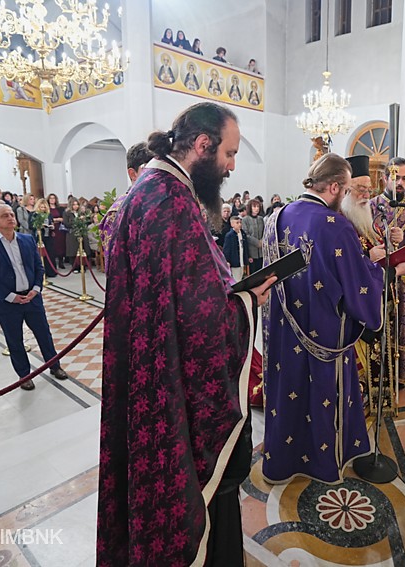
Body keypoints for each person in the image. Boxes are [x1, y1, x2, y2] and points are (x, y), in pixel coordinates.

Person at [98, 102, 274, 566]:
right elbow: (203, 322)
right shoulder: (171, 200)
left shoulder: (146, 191)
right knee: (205, 502)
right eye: (230, 154)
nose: (232, 166)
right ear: (202, 145)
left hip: (148, 374)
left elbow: (178, 299)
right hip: (170, 390)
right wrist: (248, 302)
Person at [262, 153, 405, 484]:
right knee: (319, 396)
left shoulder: (278, 216)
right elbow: (358, 284)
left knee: (290, 392)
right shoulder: (334, 225)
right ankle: (321, 463)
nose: (350, 194)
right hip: (323, 334)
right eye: (347, 187)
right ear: (334, 186)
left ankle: (283, 460)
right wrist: (392, 272)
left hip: (285, 332)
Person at [0, 205, 72, 391]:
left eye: (12, 214)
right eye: (5, 216)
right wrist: (11, 297)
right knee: (15, 339)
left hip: (32, 297)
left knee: (44, 333)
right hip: (7, 302)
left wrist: (36, 289)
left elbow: (38, 267)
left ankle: (54, 366)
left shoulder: (27, 239)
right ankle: (24, 375)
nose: (11, 218)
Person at [343, 155, 403, 417]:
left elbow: (375, 247)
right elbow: (346, 268)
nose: (366, 195)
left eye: (369, 189)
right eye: (361, 189)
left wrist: (391, 239)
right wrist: (375, 260)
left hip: (376, 304)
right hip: (354, 316)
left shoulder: (364, 218)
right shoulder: (341, 222)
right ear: (345, 190)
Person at [368, 157, 405, 386]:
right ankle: (381, 373)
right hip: (379, 279)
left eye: (404, 178)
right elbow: (363, 239)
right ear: (385, 178)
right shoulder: (370, 205)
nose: (399, 182)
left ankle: (403, 374)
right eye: (395, 177)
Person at [98, 142, 153, 256]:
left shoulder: (160, 203)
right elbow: (116, 264)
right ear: (133, 174)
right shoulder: (117, 213)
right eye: (149, 170)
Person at [242, 198, 265, 273]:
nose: (256, 209)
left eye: (258, 207)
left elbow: (264, 231)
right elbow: (246, 234)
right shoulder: (245, 219)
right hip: (251, 250)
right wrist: (257, 242)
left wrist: (262, 240)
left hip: (261, 251)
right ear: (250, 208)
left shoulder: (261, 219)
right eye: (254, 207)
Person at [222, 215, 248, 280]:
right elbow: (226, 250)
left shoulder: (243, 233)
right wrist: (227, 261)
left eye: (240, 222)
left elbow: (245, 247)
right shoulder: (229, 235)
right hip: (234, 261)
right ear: (232, 224)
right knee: (236, 279)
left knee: (241, 276)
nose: (239, 224)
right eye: (237, 223)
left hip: (242, 260)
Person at [46, 193, 67, 269]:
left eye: (53, 198)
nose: (52, 200)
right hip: (51, 228)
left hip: (60, 228)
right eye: (50, 198)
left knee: (61, 244)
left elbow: (63, 218)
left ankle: (61, 261)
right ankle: (54, 262)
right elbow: (48, 219)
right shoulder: (47, 208)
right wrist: (55, 219)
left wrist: (58, 219)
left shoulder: (60, 208)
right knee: (53, 245)